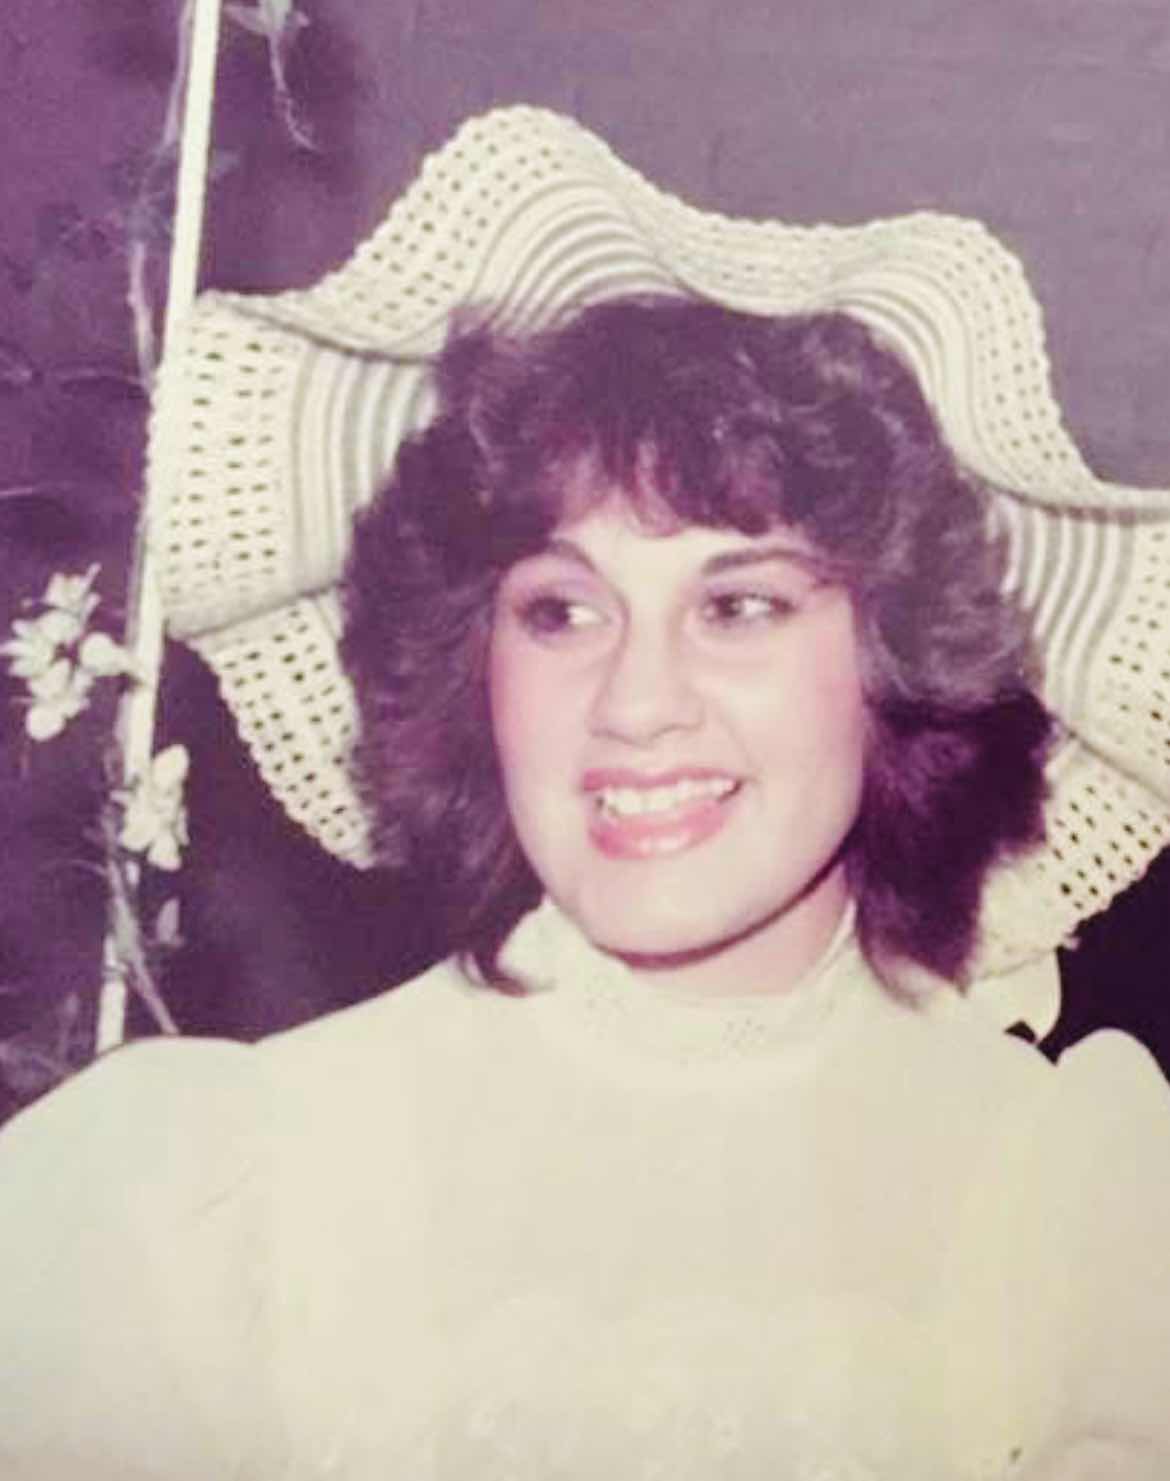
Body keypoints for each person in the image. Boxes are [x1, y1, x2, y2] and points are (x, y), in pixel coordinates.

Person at [2, 106, 1169, 1480]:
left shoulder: (1073, 1206)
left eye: (739, 604)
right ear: (475, 660)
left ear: (894, 657)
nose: (633, 701)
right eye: (560, 610)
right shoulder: (224, 1193)